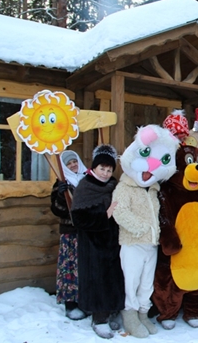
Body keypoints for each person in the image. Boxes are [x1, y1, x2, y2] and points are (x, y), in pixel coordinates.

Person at [71, 144, 125, 339]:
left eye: (109, 169)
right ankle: (98, 318)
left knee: (114, 278)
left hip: (113, 242)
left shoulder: (115, 185)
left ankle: (112, 311)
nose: (105, 173)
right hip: (93, 244)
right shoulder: (85, 186)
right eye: (102, 168)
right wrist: (105, 214)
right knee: (98, 280)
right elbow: (78, 218)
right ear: (94, 168)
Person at [50, 150, 87, 320]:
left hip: (87, 232)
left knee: (85, 268)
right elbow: (57, 210)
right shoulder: (61, 183)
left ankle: (86, 301)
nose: (73, 165)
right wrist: (60, 195)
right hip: (70, 233)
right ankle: (71, 304)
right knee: (70, 267)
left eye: (75, 161)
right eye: (69, 163)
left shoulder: (88, 179)